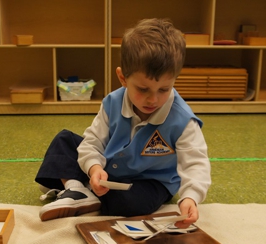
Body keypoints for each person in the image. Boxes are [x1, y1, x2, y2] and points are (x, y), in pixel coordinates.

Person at [35, 18, 211, 228]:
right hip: (107, 172)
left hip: (149, 182)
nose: (153, 100)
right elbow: (92, 143)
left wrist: (190, 197)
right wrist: (94, 169)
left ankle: (78, 188)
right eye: (143, 89)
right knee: (64, 140)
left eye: (164, 90)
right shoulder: (112, 102)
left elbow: (196, 164)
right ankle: (77, 188)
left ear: (174, 80)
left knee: (130, 204)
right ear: (123, 78)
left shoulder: (182, 120)